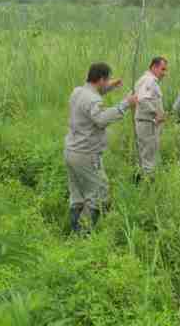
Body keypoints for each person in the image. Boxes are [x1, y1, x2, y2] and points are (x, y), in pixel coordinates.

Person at [64, 62, 137, 233]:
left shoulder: (78, 92)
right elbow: (101, 119)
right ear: (101, 79)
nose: (109, 82)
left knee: (78, 196)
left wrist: (110, 86)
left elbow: (93, 94)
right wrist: (125, 104)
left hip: (71, 151)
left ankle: (74, 233)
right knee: (100, 194)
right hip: (86, 154)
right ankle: (82, 235)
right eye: (108, 79)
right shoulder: (93, 99)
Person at [134, 57, 168, 179]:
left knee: (145, 156)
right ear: (154, 67)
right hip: (147, 123)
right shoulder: (149, 80)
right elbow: (142, 99)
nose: (164, 73)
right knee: (148, 157)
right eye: (162, 69)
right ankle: (148, 187)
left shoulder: (147, 80)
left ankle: (140, 184)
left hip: (147, 123)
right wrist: (156, 113)